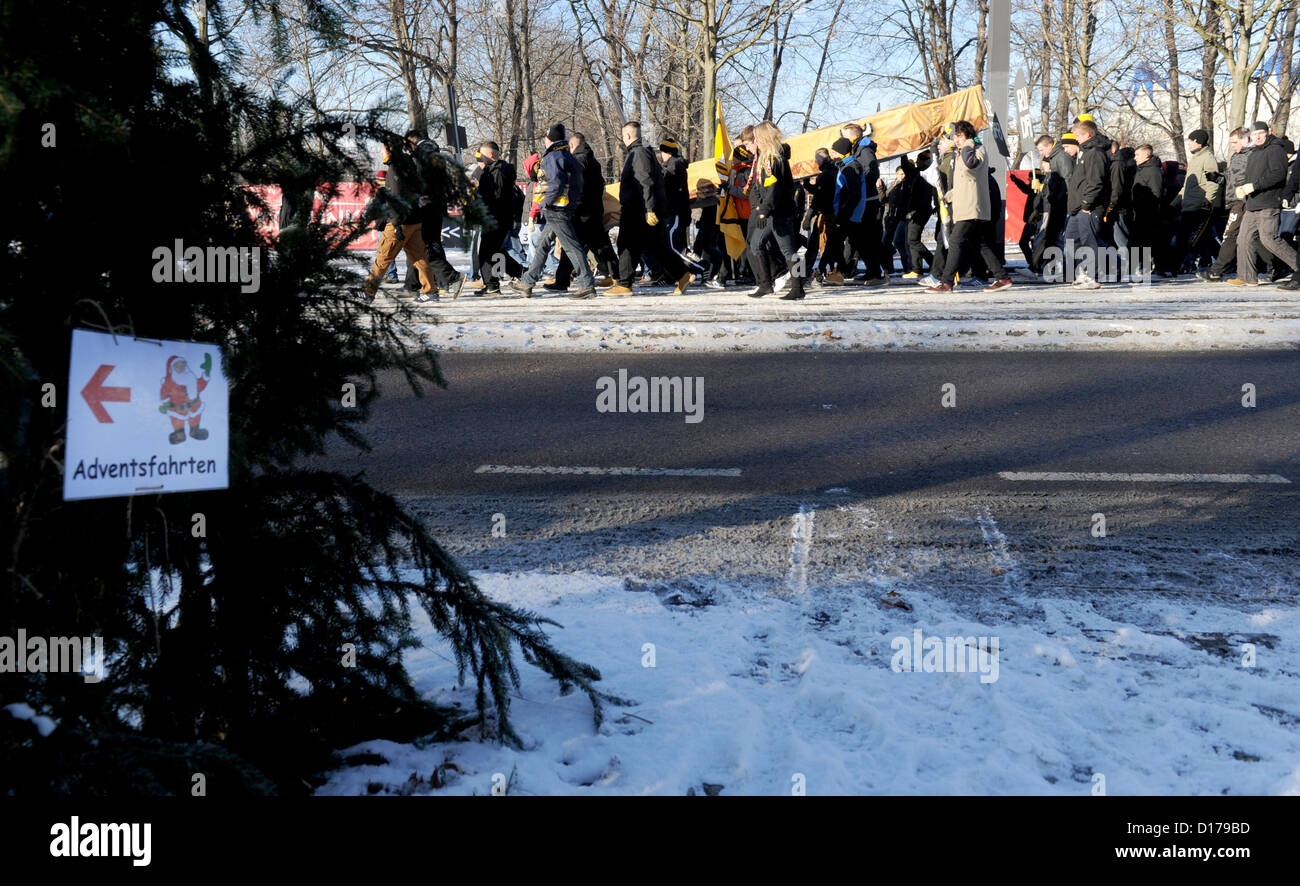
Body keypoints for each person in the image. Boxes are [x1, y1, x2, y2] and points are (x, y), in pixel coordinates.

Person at [605, 121, 694, 296]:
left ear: (628, 136)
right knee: (656, 247)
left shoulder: (638, 153)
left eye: (623, 136)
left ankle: (624, 284)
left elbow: (645, 181)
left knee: (626, 243)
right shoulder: (645, 151)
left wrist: (649, 208)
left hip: (638, 208)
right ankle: (682, 275)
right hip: (646, 207)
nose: (623, 139)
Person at [509, 123, 597, 299]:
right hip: (563, 208)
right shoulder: (566, 156)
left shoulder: (552, 157)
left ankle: (587, 285)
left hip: (555, 209)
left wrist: (546, 203)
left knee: (571, 247)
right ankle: (527, 282)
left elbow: (554, 184)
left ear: (548, 139)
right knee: (542, 244)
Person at [924, 120, 1012, 293]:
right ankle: (1002, 277)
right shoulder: (962, 152)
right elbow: (965, 181)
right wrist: (950, 195)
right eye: (955, 137)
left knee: (956, 241)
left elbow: (971, 164)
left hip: (972, 206)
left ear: (968, 136)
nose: (956, 140)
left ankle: (946, 282)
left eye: (960, 136)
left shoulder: (976, 149)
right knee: (979, 243)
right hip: (964, 204)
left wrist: (967, 144)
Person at [363, 136, 438, 300]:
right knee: (419, 258)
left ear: (389, 149)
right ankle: (431, 291)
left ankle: (368, 293)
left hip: (401, 222)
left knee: (382, 259)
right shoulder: (408, 163)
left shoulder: (395, 168)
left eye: (382, 148)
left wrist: (396, 225)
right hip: (415, 220)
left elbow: (397, 199)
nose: (380, 151)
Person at [1230, 120, 1298, 287]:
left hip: (1268, 202)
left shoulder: (1276, 149)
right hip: (1253, 203)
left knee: (1269, 239)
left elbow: (1278, 174)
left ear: (1268, 133)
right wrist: (1242, 190)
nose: (1257, 136)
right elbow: (1249, 178)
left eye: (1260, 133)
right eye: (1254, 134)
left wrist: (1254, 186)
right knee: (1243, 239)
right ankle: (1247, 277)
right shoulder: (1254, 153)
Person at [745, 121, 807, 300]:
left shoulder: (775, 159)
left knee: (789, 250)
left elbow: (775, 188)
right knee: (756, 244)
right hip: (768, 211)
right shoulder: (764, 158)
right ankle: (765, 284)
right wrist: (758, 204)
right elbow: (758, 185)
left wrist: (765, 209)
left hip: (780, 212)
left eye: (757, 137)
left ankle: (798, 288)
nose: (756, 140)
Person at [551, 131, 618, 292]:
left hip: (582, 211)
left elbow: (576, 186)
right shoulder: (591, 159)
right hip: (593, 209)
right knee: (600, 245)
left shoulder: (578, 161)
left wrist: (571, 203)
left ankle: (562, 280)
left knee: (572, 245)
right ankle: (618, 275)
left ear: (572, 145)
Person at [403, 129, 465, 299]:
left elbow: (421, 179)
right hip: (434, 204)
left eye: (407, 145)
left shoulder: (423, 154)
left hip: (426, 205)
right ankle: (413, 284)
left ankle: (451, 278)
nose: (406, 149)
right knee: (420, 244)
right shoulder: (433, 152)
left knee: (425, 246)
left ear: (413, 140)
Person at [1062, 118, 1110, 289]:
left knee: (1089, 241)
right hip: (1077, 208)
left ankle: (1093, 275)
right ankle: (1083, 271)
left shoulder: (1095, 153)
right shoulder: (1084, 152)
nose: (1076, 139)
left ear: (1088, 134)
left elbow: (1096, 181)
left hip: (1089, 207)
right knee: (1071, 240)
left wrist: (1086, 204)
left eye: (1078, 135)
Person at [1201, 128, 1250, 282]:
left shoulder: (1252, 155)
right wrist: (1219, 178)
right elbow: (1231, 176)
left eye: (1235, 142)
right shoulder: (1236, 156)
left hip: (1243, 200)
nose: (1233, 146)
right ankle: (1274, 265)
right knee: (1251, 236)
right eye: (1231, 143)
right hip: (1233, 200)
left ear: (1245, 139)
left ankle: (1217, 270)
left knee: (1230, 235)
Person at [474, 141, 524, 293]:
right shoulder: (494, 170)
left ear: (490, 155)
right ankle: (494, 283)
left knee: (487, 252)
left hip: (497, 218)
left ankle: (514, 274)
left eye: (480, 156)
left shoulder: (498, 171)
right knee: (494, 251)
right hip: (496, 217)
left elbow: (493, 196)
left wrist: (480, 175)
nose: (479, 160)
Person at [840, 122, 886, 282]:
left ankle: (876, 273)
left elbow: (872, 172)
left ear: (853, 136)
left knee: (867, 239)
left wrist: (856, 182)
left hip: (867, 201)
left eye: (844, 136)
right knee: (861, 240)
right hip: (863, 200)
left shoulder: (864, 150)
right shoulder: (858, 149)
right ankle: (872, 271)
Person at [1176, 129, 1222, 273]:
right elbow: (1186, 186)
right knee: (1203, 237)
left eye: (1191, 141)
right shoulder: (1195, 158)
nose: (1188, 144)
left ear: (1198, 142)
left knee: (1193, 236)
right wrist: (1176, 202)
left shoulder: (1207, 158)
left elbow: (1213, 182)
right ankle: (1225, 261)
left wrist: (1207, 200)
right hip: (1188, 204)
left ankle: (1177, 266)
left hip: (1199, 203)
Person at [1129, 145, 1164, 278]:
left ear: (1146, 155)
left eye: (1137, 155)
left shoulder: (1153, 171)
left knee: (1148, 242)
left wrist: (1149, 210)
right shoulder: (1142, 170)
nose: (1135, 158)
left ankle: (1151, 268)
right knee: (1138, 241)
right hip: (1139, 212)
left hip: (1148, 213)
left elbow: (1156, 193)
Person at [803, 147, 838, 282]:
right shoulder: (834, 171)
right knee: (820, 242)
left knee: (822, 243)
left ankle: (821, 271)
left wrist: (809, 216)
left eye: (817, 160)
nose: (816, 163)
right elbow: (820, 193)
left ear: (821, 159)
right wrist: (808, 185)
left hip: (826, 213)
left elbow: (819, 198)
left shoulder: (825, 175)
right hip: (832, 211)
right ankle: (821, 269)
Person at [903, 150, 938, 278]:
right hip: (920, 210)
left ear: (923, 161)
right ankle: (917, 269)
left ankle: (933, 262)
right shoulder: (923, 173)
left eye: (918, 160)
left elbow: (922, 197)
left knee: (912, 239)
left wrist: (903, 152)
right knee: (912, 240)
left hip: (918, 212)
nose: (916, 162)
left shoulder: (923, 174)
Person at [692, 177, 726, 288]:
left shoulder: (714, 200)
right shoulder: (710, 200)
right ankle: (706, 274)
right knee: (701, 247)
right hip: (707, 224)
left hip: (712, 225)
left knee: (709, 248)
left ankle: (709, 275)